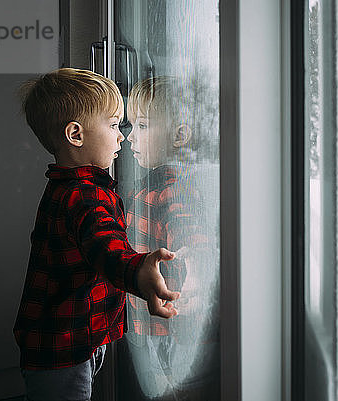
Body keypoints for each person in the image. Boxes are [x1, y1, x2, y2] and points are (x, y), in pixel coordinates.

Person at [12, 68, 181, 401]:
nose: (122, 136)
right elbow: (106, 247)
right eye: (114, 125)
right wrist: (138, 271)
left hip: (69, 338)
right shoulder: (84, 195)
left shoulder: (70, 185)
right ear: (76, 134)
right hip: (63, 347)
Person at [122, 76, 220, 400]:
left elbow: (190, 232)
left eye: (143, 126)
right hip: (152, 324)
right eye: (130, 125)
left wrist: (197, 269)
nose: (130, 137)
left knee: (172, 391)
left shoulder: (172, 186)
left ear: (179, 135)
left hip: (169, 328)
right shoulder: (147, 184)